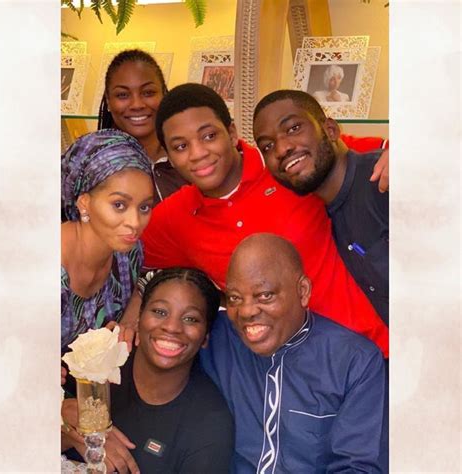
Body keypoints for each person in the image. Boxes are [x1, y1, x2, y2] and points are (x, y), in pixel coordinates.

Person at [125, 83, 388, 357]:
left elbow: (370, 152)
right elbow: (125, 255)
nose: (198, 153)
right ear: (169, 156)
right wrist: (136, 302)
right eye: (180, 146)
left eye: (209, 136)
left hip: (377, 349)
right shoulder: (175, 216)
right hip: (288, 369)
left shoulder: (286, 164)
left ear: (231, 132)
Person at [200, 233, 385, 473]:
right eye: (235, 298)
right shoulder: (215, 337)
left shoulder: (354, 362)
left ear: (303, 291)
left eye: (265, 295)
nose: (246, 311)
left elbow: (357, 466)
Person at [62, 267, 234, 473]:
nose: (172, 327)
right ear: (139, 318)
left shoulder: (209, 427)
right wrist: (67, 427)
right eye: (160, 312)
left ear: (205, 337)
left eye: (191, 319)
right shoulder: (99, 358)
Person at [253, 89, 388, 325]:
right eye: (267, 146)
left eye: (293, 128)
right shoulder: (328, 211)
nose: (281, 149)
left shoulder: (384, 180)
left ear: (330, 129)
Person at [61, 129, 154, 355]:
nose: (135, 222)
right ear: (83, 203)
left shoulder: (128, 253)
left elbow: (148, 280)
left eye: (144, 207)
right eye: (119, 205)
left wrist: (132, 314)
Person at [97, 49, 188, 205]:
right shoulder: (91, 166)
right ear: (108, 101)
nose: (137, 105)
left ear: (164, 94)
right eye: (122, 95)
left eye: (148, 92)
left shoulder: (191, 156)